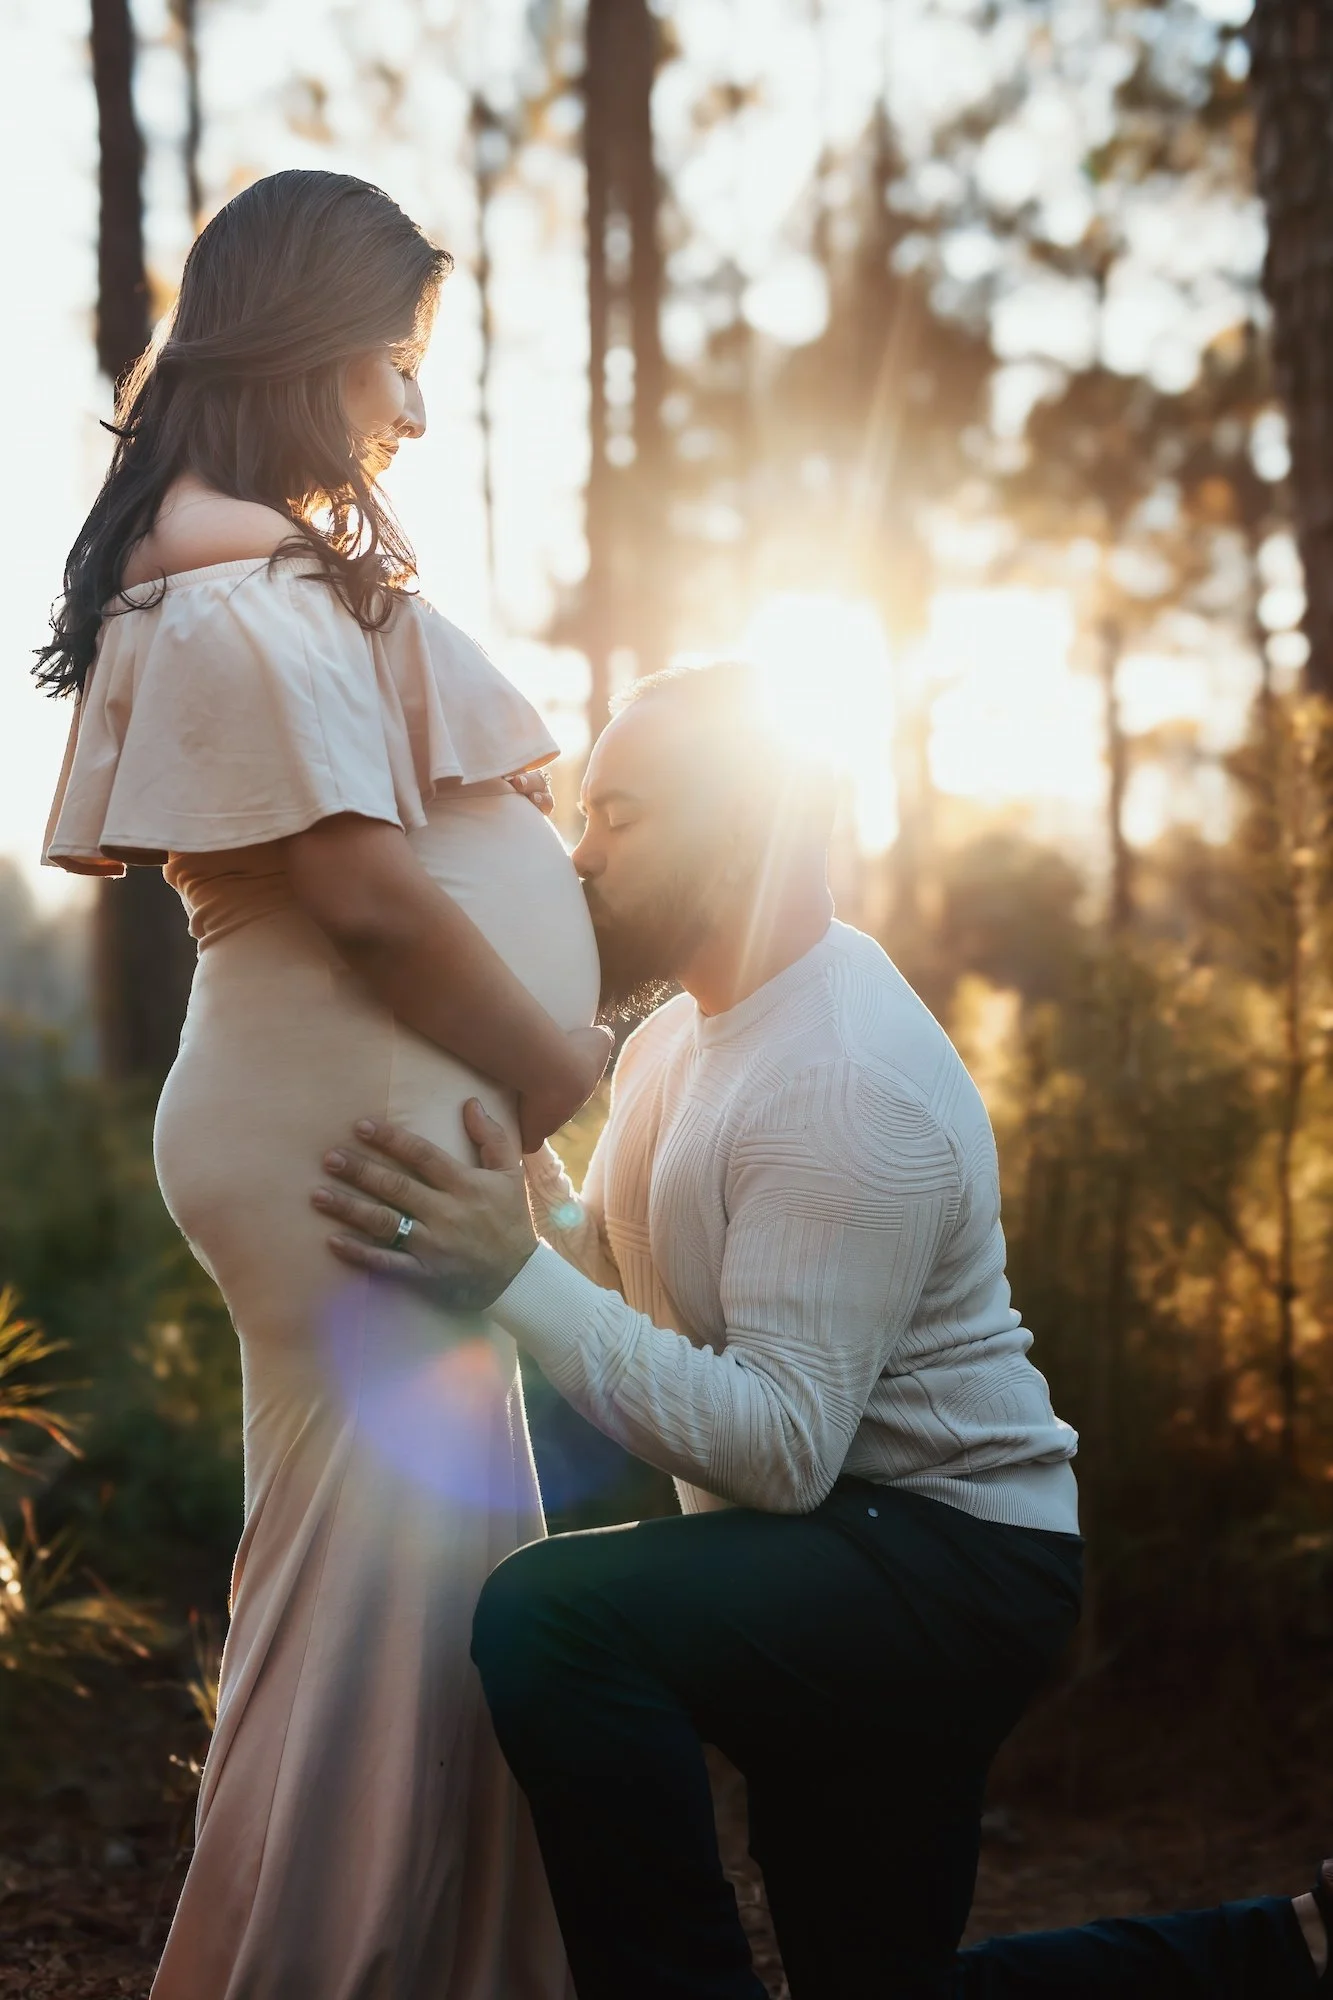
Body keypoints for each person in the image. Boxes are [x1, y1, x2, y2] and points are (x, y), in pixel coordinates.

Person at [315, 661, 1332, 2000]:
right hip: (826, 1546)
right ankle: (1289, 1953)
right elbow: (638, 1304)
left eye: (622, 814)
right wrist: (533, 1207)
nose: (581, 851)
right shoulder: (671, 1041)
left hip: (947, 1562)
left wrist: (510, 1273)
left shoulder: (846, 1077)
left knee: (554, 1622)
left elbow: (785, 1445)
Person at [38, 169, 608, 1999]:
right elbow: (363, 900)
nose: (413, 413)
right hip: (342, 1137)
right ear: (304, 347)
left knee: (413, 1598)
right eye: (395, 362)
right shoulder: (222, 588)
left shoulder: (232, 561)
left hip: (338, 1120)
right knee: (390, 1619)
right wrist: (556, 1062)